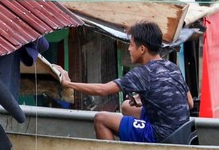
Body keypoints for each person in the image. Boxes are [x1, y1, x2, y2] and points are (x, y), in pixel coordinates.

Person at [55, 21, 193, 143]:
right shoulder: (172, 67)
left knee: (101, 119)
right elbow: (190, 103)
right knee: (127, 107)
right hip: (182, 131)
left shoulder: (142, 73)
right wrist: (145, 98)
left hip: (161, 135)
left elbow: (102, 90)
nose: (129, 49)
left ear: (142, 49)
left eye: (131, 45)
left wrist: (69, 84)